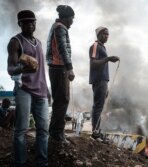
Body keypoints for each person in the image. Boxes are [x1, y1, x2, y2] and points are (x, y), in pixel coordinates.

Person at [7, 10, 49, 166]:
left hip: (41, 91)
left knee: (43, 130)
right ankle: (20, 163)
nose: (30, 24)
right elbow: (11, 69)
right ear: (20, 24)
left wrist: (47, 90)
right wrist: (23, 69)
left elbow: (42, 71)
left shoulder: (39, 42)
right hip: (24, 89)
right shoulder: (15, 42)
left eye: (33, 22)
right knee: (21, 130)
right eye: (26, 22)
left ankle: (41, 163)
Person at [46, 5, 75, 144]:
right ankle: (57, 133)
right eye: (71, 18)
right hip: (59, 68)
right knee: (62, 100)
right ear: (65, 18)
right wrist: (69, 68)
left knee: (59, 100)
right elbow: (62, 48)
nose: (72, 21)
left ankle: (55, 131)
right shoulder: (60, 28)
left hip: (56, 68)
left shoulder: (56, 26)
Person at [89, 26, 120, 139]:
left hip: (103, 80)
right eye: (104, 34)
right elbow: (93, 63)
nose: (106, 36)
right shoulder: (95, 46)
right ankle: (95, 132)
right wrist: (108, 59)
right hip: (99, 79)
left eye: (108, 34)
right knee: (98, 106)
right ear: (98, 35)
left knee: (100, 106)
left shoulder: (103, 47)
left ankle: (98, 130)